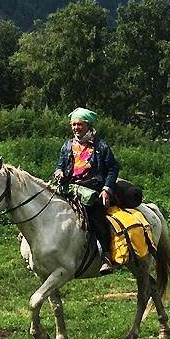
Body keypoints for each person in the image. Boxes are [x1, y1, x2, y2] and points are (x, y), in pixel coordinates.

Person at [54, 107, 120, 274]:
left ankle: (106, 256)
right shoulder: (68, 145)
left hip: (93, 189)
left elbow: (113, 168)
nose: (76, 128)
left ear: (88, 125)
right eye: (73, 125)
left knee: (96, 215)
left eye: (79, 124)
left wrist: (106, 189)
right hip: (70, 188)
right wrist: (59, 171)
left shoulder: (101, 146)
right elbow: (60, 165)